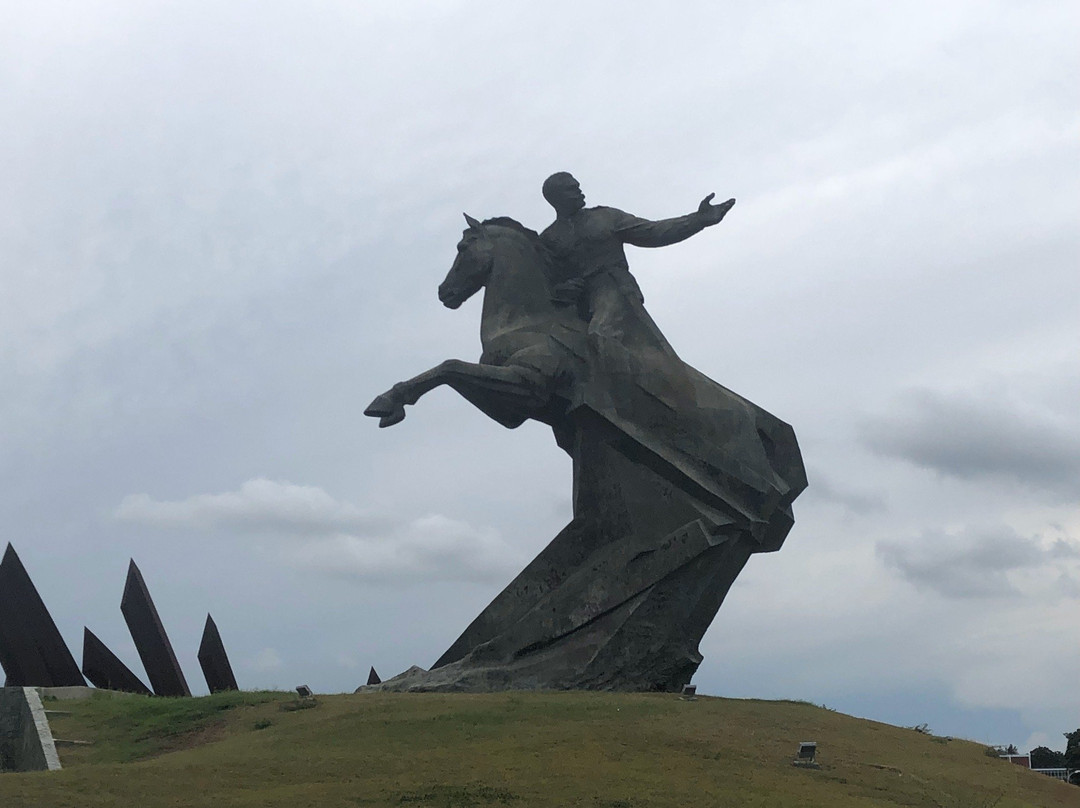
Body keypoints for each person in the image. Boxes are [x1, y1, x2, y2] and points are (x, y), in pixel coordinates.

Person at [539, 172, 735, 348]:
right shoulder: (549, 238)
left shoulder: (605, 217)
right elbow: (546, 280)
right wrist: (561, 288)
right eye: (571, 189)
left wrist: (699, 219)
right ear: (555, 198)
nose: (579, 192)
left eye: (578, 187)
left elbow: (653, 232)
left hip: (613, 289)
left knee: (602, 335)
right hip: (575, 303)